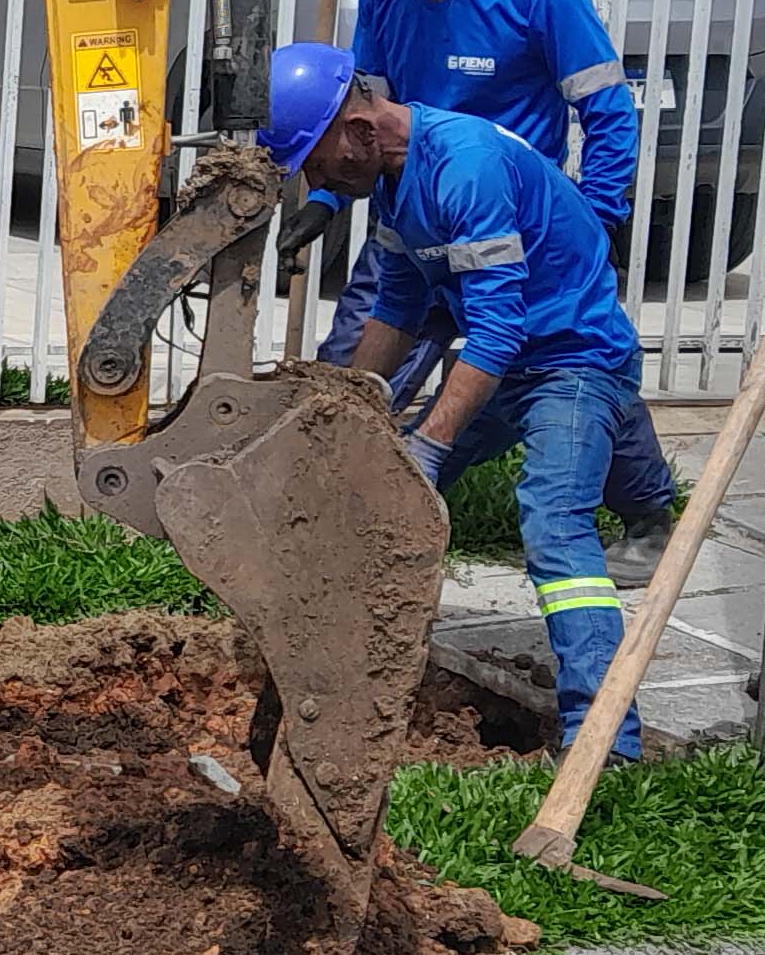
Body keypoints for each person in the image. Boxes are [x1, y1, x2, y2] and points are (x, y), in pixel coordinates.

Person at [263, 42, 648, 759]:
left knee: (555, 526)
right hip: (507, 361)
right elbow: (399, 306)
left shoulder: (463, 166)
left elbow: (499, 328)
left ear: (358, 131)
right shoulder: (394, 179)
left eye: (315, 163)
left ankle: (605, 741)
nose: (316, 180)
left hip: (572, 358)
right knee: (385, 482)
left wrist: (431, 445)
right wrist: (361, 406)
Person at [315, 0, 680, 581]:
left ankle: (646, 509)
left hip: (512, 226)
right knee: (354, 367)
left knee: (564, 361)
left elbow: (608, 111)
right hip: (415, 221)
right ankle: (329, 508)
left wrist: (598, 217)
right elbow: (365, 104)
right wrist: (325, 191)